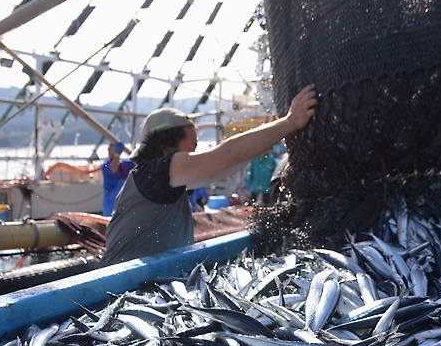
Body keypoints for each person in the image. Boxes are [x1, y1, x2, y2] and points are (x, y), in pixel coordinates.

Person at [101, 84, 318, 266]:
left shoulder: (151, 175)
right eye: (192, 147)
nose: (194, 155)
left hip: (134, 276)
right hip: (120, 283)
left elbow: (218, 168)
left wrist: (262, 141)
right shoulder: (157, 171)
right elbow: (226, 156)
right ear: (166, 147)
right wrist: (290, 122)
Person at [101, 141, 135, 217]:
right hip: (111, 203)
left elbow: (138, 163)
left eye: (113, 150)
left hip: (125, 200)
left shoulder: (126, 164)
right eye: (110, 150)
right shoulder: (105, 166)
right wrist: (117, 155)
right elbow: (113, 169)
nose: (111, 153)